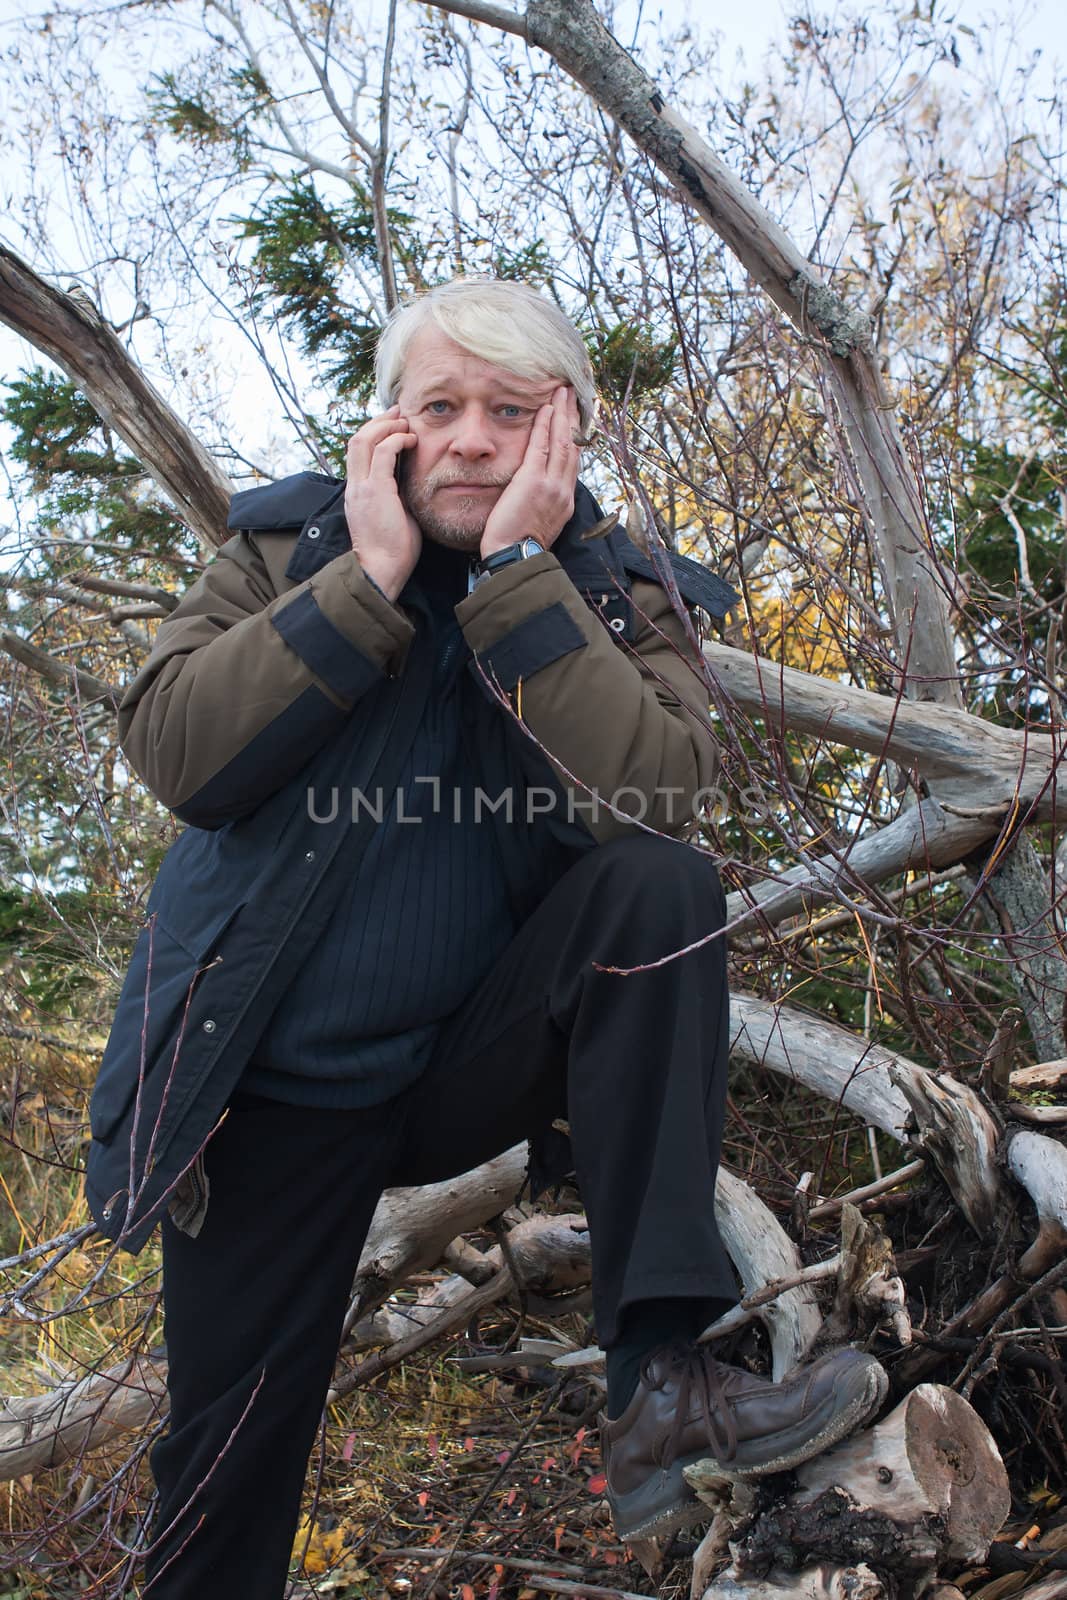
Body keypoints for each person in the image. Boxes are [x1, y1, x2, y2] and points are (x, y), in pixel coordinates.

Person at [85, 278, 885, 1598]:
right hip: (263, 1098)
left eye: (508, 410)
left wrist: (519, 578)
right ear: (389, 428)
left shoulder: (621, 591)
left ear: (563, 428)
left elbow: (663, 796)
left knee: (661, 887)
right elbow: (179, 755)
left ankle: (665, 1386)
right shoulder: (283, 552)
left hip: (464, 1066)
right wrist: (371, 579)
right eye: (438, 406)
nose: (469, 440)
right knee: (225, 1474)